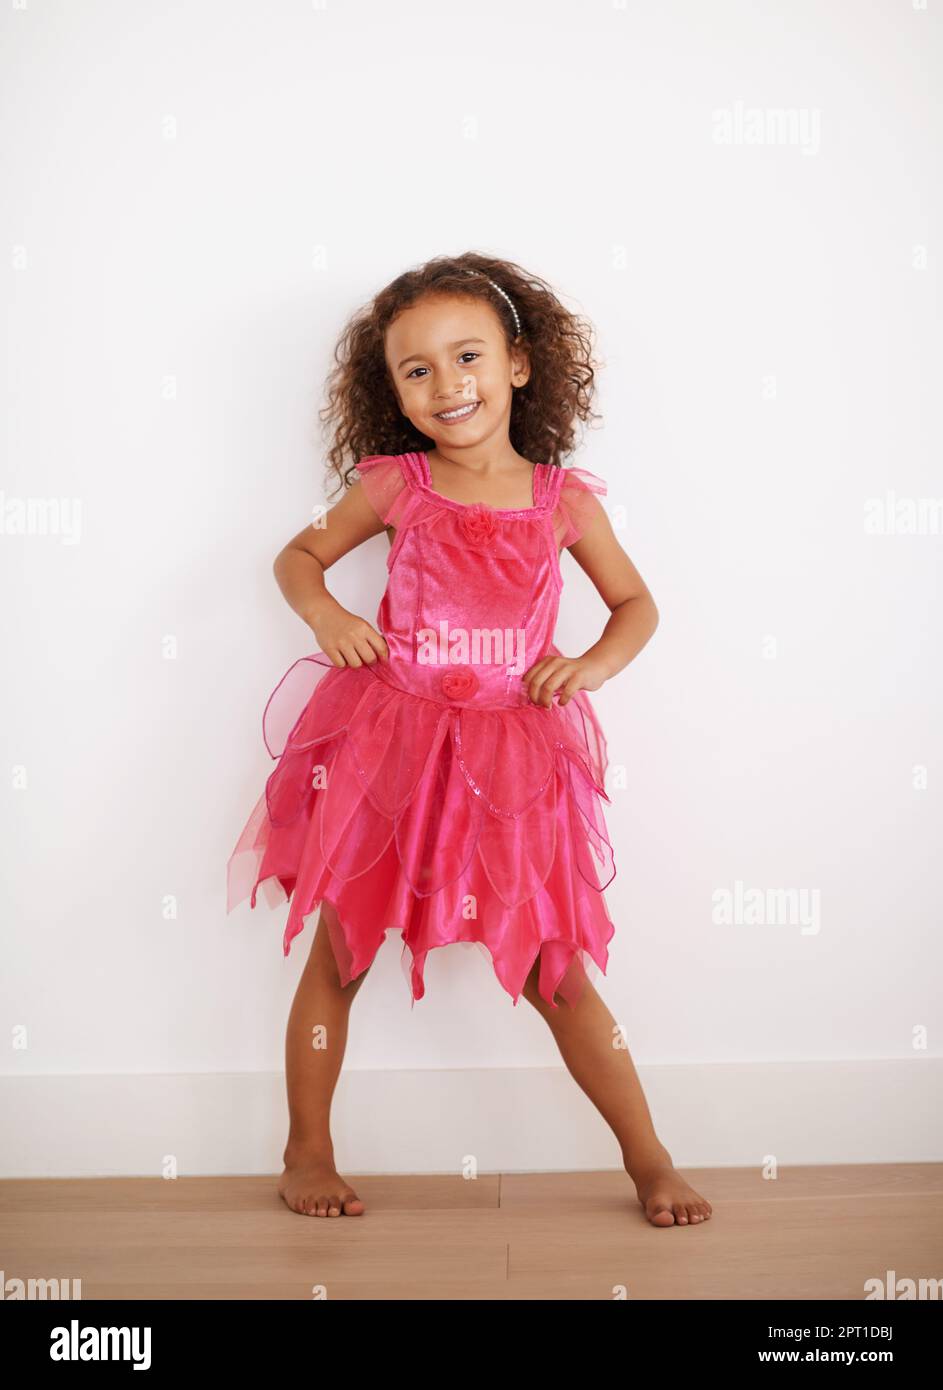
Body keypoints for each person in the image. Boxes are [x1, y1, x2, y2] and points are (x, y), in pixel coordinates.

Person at [227, 253, 712, 1230]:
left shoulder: (562, 500)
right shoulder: (395, 486)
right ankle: (305, 1147)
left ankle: (651, 1158)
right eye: (416, 369)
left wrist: (592, 664)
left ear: (519, 365)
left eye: (467, 357)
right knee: (341, 954)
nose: (446, 384)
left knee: (556, 972)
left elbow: (635, 602)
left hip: (509, 762)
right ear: (391, 391)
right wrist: (322, 611)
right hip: (390, 746)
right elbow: (298, 554)